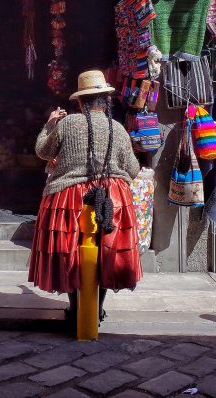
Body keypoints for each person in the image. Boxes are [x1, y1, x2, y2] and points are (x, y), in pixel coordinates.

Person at [28, 70, 143, 326]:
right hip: (111, 198)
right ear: (105, 100)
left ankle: (75, 308)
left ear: (80, 102)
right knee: (104, 253)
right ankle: (97, 310)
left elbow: (42, 151)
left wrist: (49, 124)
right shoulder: (118, 129)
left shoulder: (67, 124)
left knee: (70, 253)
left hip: (69, 199)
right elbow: (133, 170)